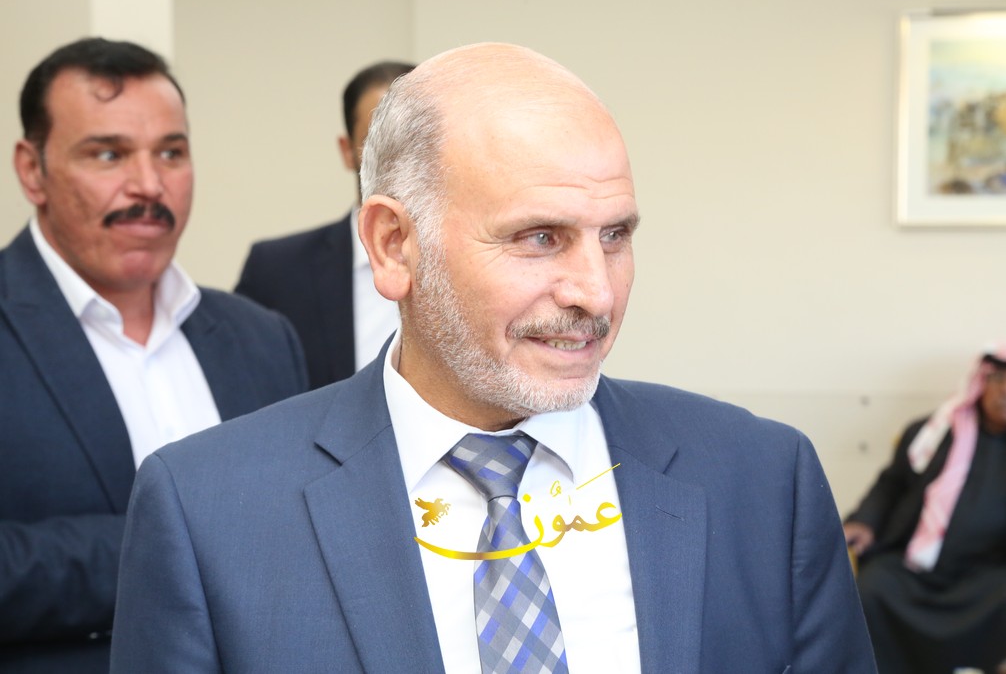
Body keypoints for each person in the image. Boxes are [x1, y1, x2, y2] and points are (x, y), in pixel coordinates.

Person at [110, 43, 875, 673]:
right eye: (539, 237)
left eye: (614, 235)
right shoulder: (210, 513)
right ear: (393, 246)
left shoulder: (764, 484)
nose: (595, 291)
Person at [0, 38, 308, 673]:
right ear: (32, 170)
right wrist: (176, 540)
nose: (148, 185)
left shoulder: (260, 337)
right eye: (107, 154)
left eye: (171, 153)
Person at [845, 342, 1006, 673]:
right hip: (914, 568)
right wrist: (863, 522)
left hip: (990, 573)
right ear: (981, 382)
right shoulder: (932, 432)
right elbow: (891, 485)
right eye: (998, 379)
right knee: (873, 587)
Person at [235, 60, 415, 388]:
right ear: (347, 151)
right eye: (378, 142)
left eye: (416, 139)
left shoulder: (482, 260)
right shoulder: (276, 273)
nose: (400, 158)